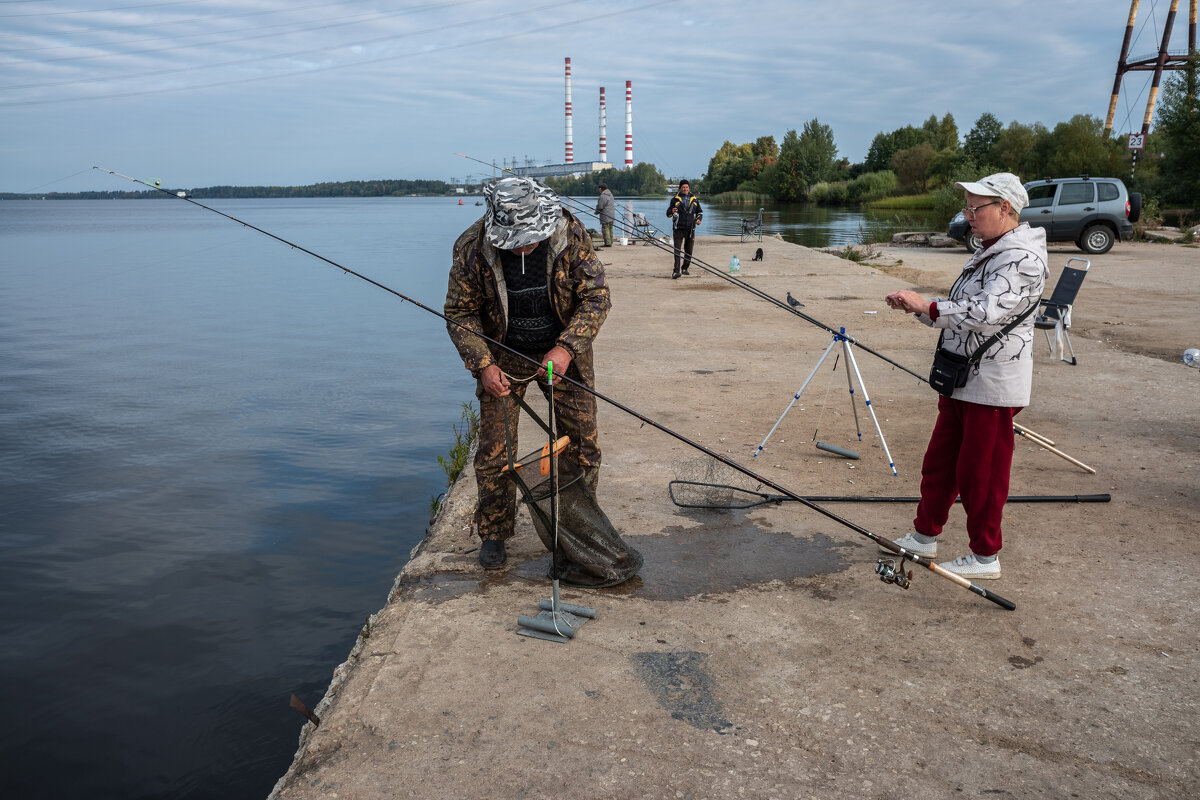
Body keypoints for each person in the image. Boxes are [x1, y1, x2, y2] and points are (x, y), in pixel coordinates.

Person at [883, 172, 1048, 580]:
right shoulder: (990, 251)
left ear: (1005, 209)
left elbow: (986, 312)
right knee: (939, 462)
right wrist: (920, 310)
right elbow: (963, 309)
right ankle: (924, 535)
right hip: (962, 379)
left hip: (993, 384)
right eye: (967, 208)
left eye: (975, 209)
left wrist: (929, 306)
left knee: (982, 474)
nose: (968, 216)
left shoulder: (1022, 258)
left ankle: (985, 556)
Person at [445, 176, 611, 569]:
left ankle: (574, 535)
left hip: (561, 352)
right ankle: (495, 532)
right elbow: (459, 312)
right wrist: (483, 364)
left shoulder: (569, 232)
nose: (525, 246)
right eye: (515, 240)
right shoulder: (471, 248)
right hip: (502, 355)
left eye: (530, 236)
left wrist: (567, 347)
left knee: (582, 446)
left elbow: (596, 296)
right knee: (494, 451)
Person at [666, 179, 702, 278]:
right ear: (680, 188)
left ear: (689, 188)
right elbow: (668, 213)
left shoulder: (694, 199)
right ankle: (676, 271)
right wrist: (672, 211)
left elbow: (700, 212)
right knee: (677, 251)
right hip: (678, 229)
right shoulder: (675, 199)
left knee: (689, 250)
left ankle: (685, 268)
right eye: (683, 188)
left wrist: (698, 220)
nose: (685, 189)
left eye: (686, 187)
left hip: (691, 229)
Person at [594, 182, 615, 247]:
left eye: (599, 189)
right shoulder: (611, 195)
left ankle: (607, 243)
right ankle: (610, 242)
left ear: (601, 189)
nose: (599, 190)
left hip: (605, 216)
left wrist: (596, 212)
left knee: (605, 229)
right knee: (610, 229)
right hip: (611, 215)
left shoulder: (603, 196)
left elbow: (600, 207)